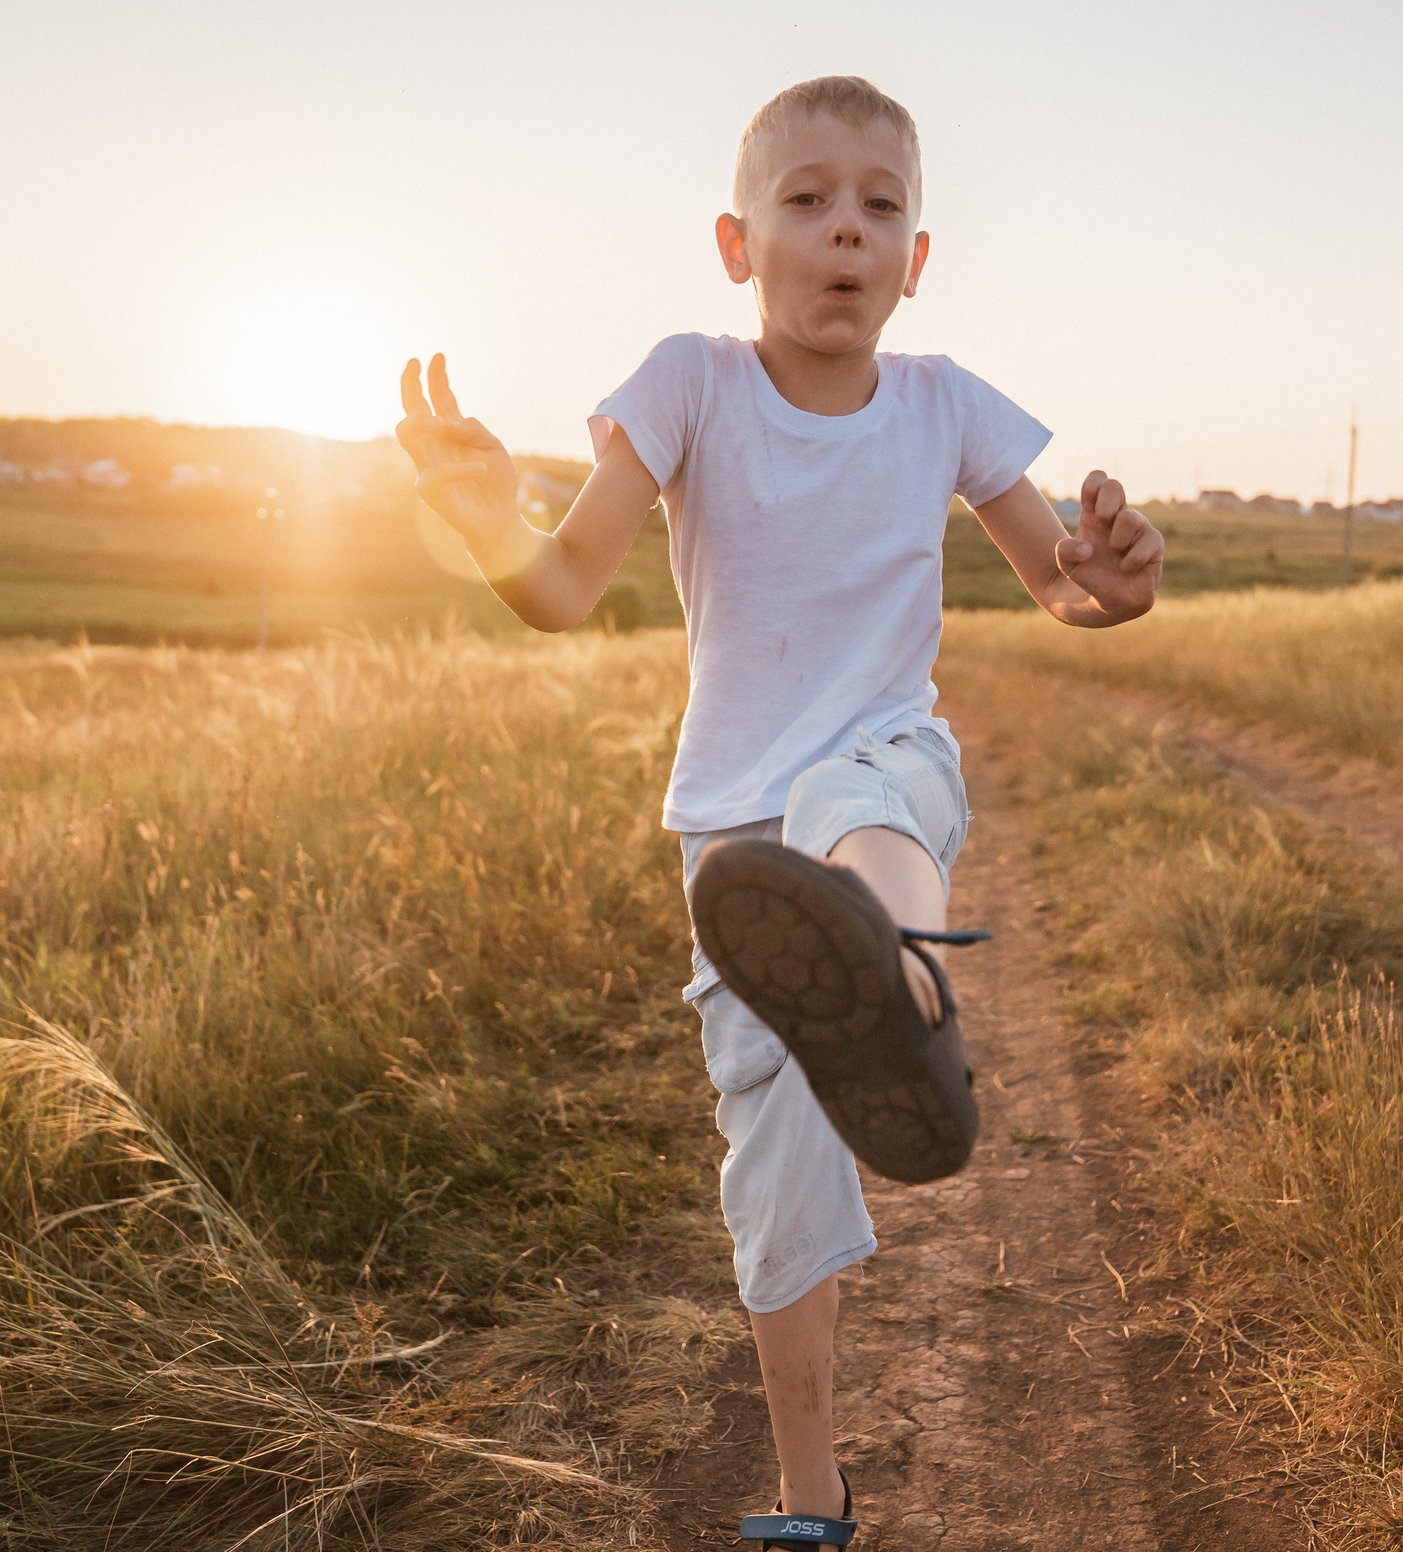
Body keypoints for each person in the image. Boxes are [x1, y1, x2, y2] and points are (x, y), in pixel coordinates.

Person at [394, 75, 1164, 1548]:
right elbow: (561, 589)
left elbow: (1061, 579)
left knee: (855, 810)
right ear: (738, 243)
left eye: (882, 208)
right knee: (777, 1172)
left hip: (883, 763)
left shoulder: (945, 405)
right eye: (807, 202)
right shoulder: (689, 383)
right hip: (734, 844)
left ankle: (898, 982)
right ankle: (814, 1503)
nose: (847, 233)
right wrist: (484, 514)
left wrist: (1114, 586)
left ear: (919, 259)